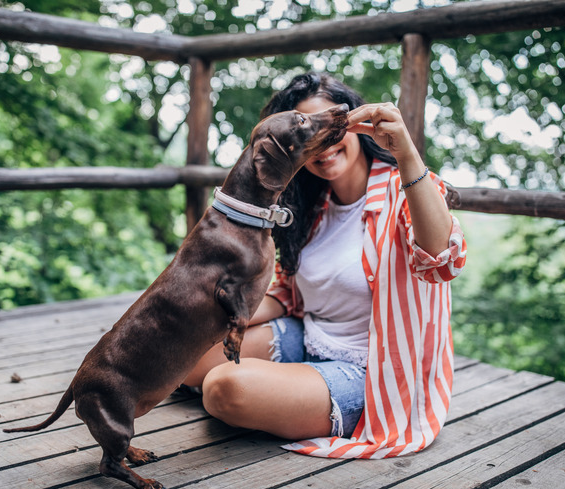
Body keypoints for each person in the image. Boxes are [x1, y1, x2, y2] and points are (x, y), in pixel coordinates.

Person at [182, 72, 467, 459]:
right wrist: (217, 317)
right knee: (184, 357)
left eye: (331, 128)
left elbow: (442, 263)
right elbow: (288, 293)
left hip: (373, 375)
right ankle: (293, 387)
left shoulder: (409, 191)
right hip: (309, 337)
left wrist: (406, 154)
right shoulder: (311, 208)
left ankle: (297, 394)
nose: (323, 144)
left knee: (226, 389)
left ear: (356, 125)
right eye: (306, 135)